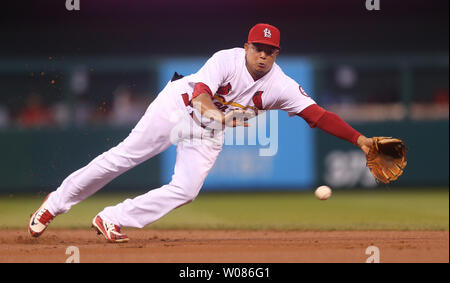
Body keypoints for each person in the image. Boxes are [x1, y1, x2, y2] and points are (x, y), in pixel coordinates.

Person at [29, 23, 374, 242]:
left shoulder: (280, 84)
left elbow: (318, 115)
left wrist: (360, 140)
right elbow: (200, 96)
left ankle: (111, 217)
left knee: (186, 189)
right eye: (258, 48)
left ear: (276, 54)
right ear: (247, 47)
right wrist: (222, 120)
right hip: (178, 107)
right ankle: (54, 204)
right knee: (121, 158)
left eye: (270, 51)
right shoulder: (226, 59)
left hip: (208, 128)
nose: (263, 56)